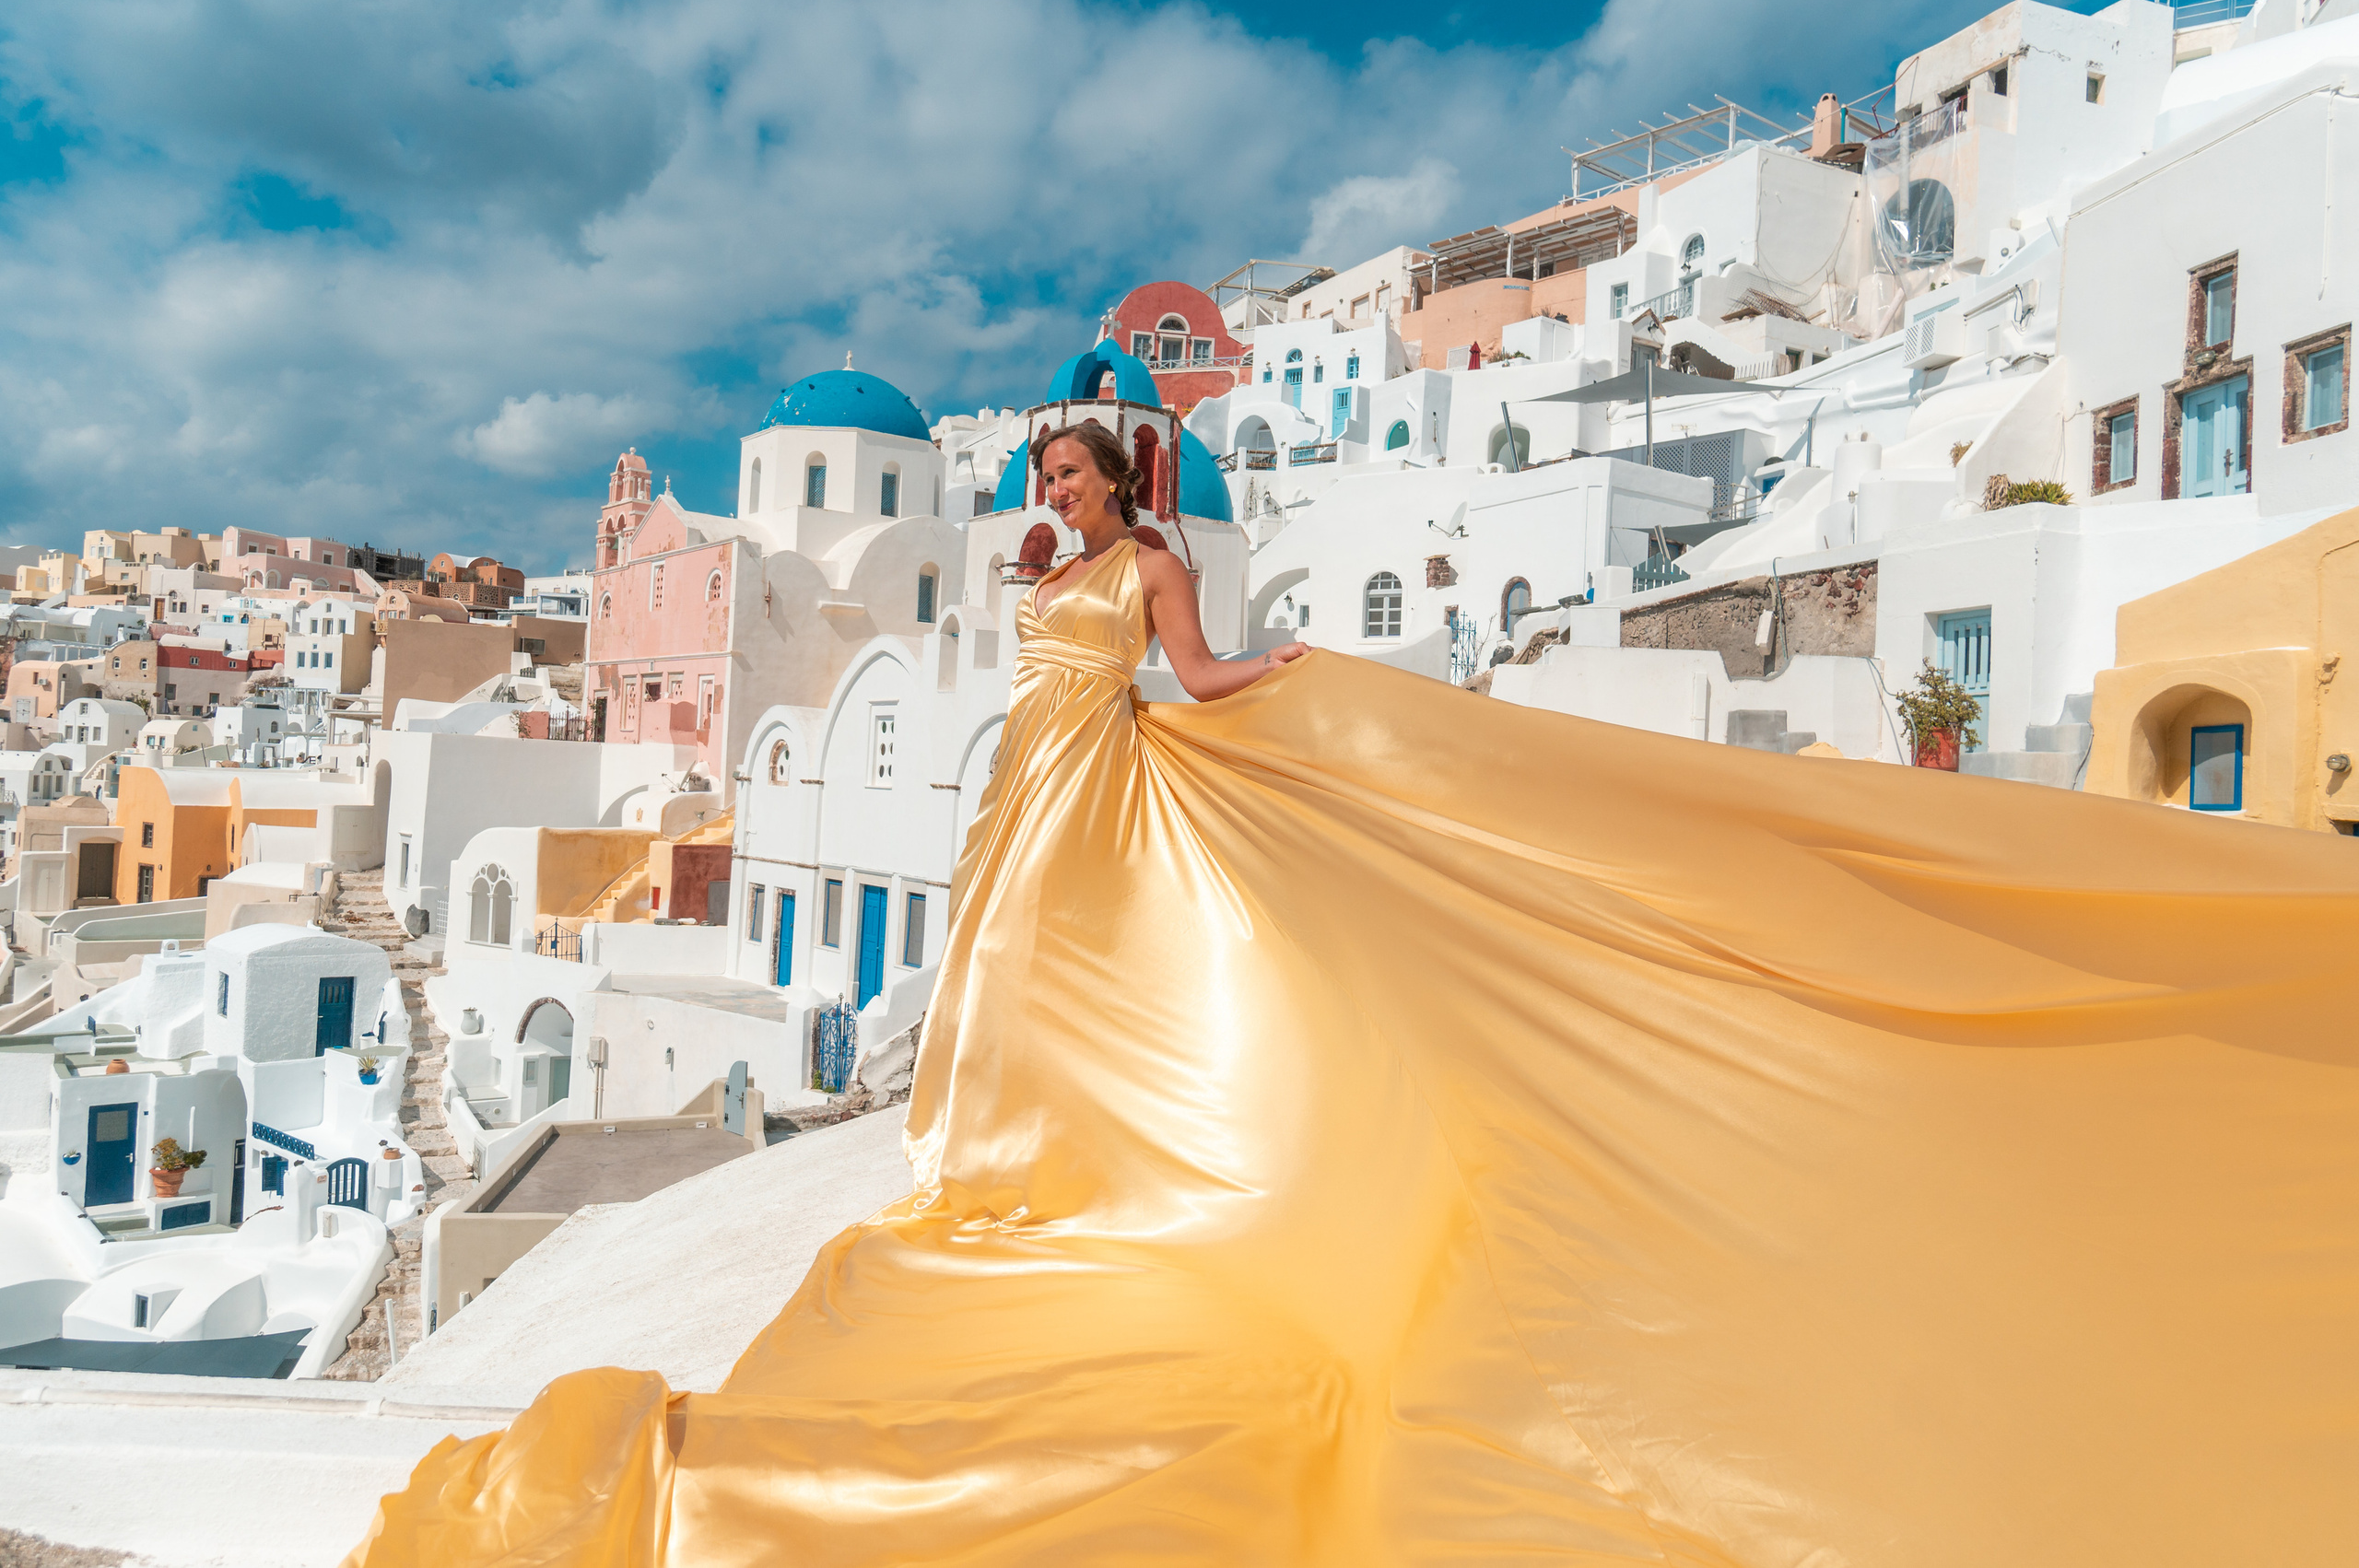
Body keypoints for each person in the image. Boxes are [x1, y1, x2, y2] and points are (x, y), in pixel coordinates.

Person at [349, 426, 2359, 1566]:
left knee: (1102, 978)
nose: (1062, 490)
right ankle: (992, 1134)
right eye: (1050, 470)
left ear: (1132, 492)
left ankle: (1072, 1167)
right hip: (1023, 788)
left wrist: (1301, 692)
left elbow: (1199, 674)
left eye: (1079, 472)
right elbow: (1024, 623)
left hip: (1111, 767)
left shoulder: (1140, 578)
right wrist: (1024, 549)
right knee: (1003, 969)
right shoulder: (1037, 552)